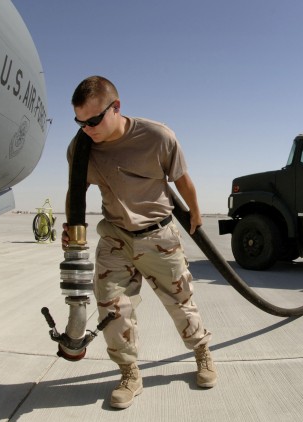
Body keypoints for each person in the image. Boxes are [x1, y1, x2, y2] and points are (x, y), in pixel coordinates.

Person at [62, 75, 217, 409]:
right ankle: (129, 372)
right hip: (116, 236)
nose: (86, 128)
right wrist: (71, 229)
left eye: (93, 120)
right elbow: (75, 191)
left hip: (158, 234)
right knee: (111, 307)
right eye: (79, 121)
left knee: (180, 302)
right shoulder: (81, 147)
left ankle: (202, 352)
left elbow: (182, 180)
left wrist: (195, 213)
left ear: (116, 107)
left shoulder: (157, 136)